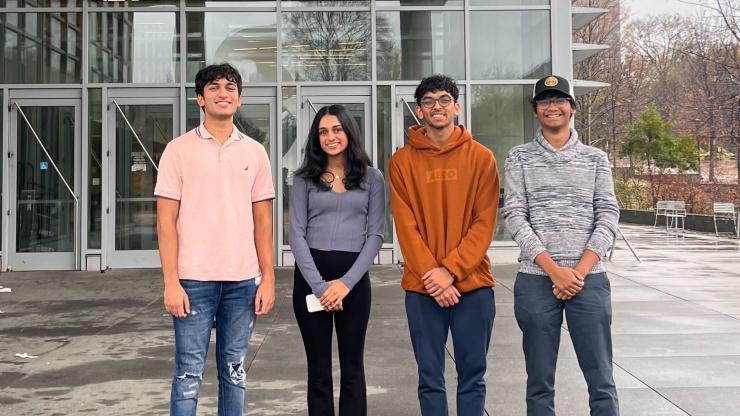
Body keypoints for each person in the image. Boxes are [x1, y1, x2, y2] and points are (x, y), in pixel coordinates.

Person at [155, 63, 276, 416]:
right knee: (188, 374)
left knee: (234, 373)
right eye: (214, 87)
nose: (223, 93)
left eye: (230, 87)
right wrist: (171, 282)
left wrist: (268, 279)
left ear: (239, 99)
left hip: (242, 281)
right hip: (193, 280)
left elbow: (263, 221)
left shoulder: (255, 152)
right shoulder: (178, 150)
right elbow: (166, 221)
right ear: (199, 98)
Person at [503, 75, 620, 416]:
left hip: (590, 280)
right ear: (536, 111)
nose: (551, 107)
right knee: (539, 379)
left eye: (559, 100)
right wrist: (555, 272)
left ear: (571, 107)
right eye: (544, 102)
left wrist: (578, 272)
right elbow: (515, 215)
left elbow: (608, 214)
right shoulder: (519, 157)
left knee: (601, 377)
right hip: (537, 280)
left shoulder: (595, 158)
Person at [388, 74, 500, 416]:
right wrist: (433, 277)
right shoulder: (401, 162)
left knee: (473, 377)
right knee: (429, 378)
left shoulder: (482, 158)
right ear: (419, 112)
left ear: (456, 107)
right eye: (428, 102)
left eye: (443, 100)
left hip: (474, 287)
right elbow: (405, 228)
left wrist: (450, 271)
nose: (436, 107)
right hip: (423, 290)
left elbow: (485, 223)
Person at [289, 104, 386, 416]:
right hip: (310, 280)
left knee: (352, 368)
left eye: (336, 129)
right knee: (318, 370)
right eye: (322, 132)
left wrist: (344, 284)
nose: (330, 137)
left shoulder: (373, 178)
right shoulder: (304, 179)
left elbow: (375, 236)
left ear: (349, 132)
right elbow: (296, 235)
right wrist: (320, 288)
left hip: (354, 283)